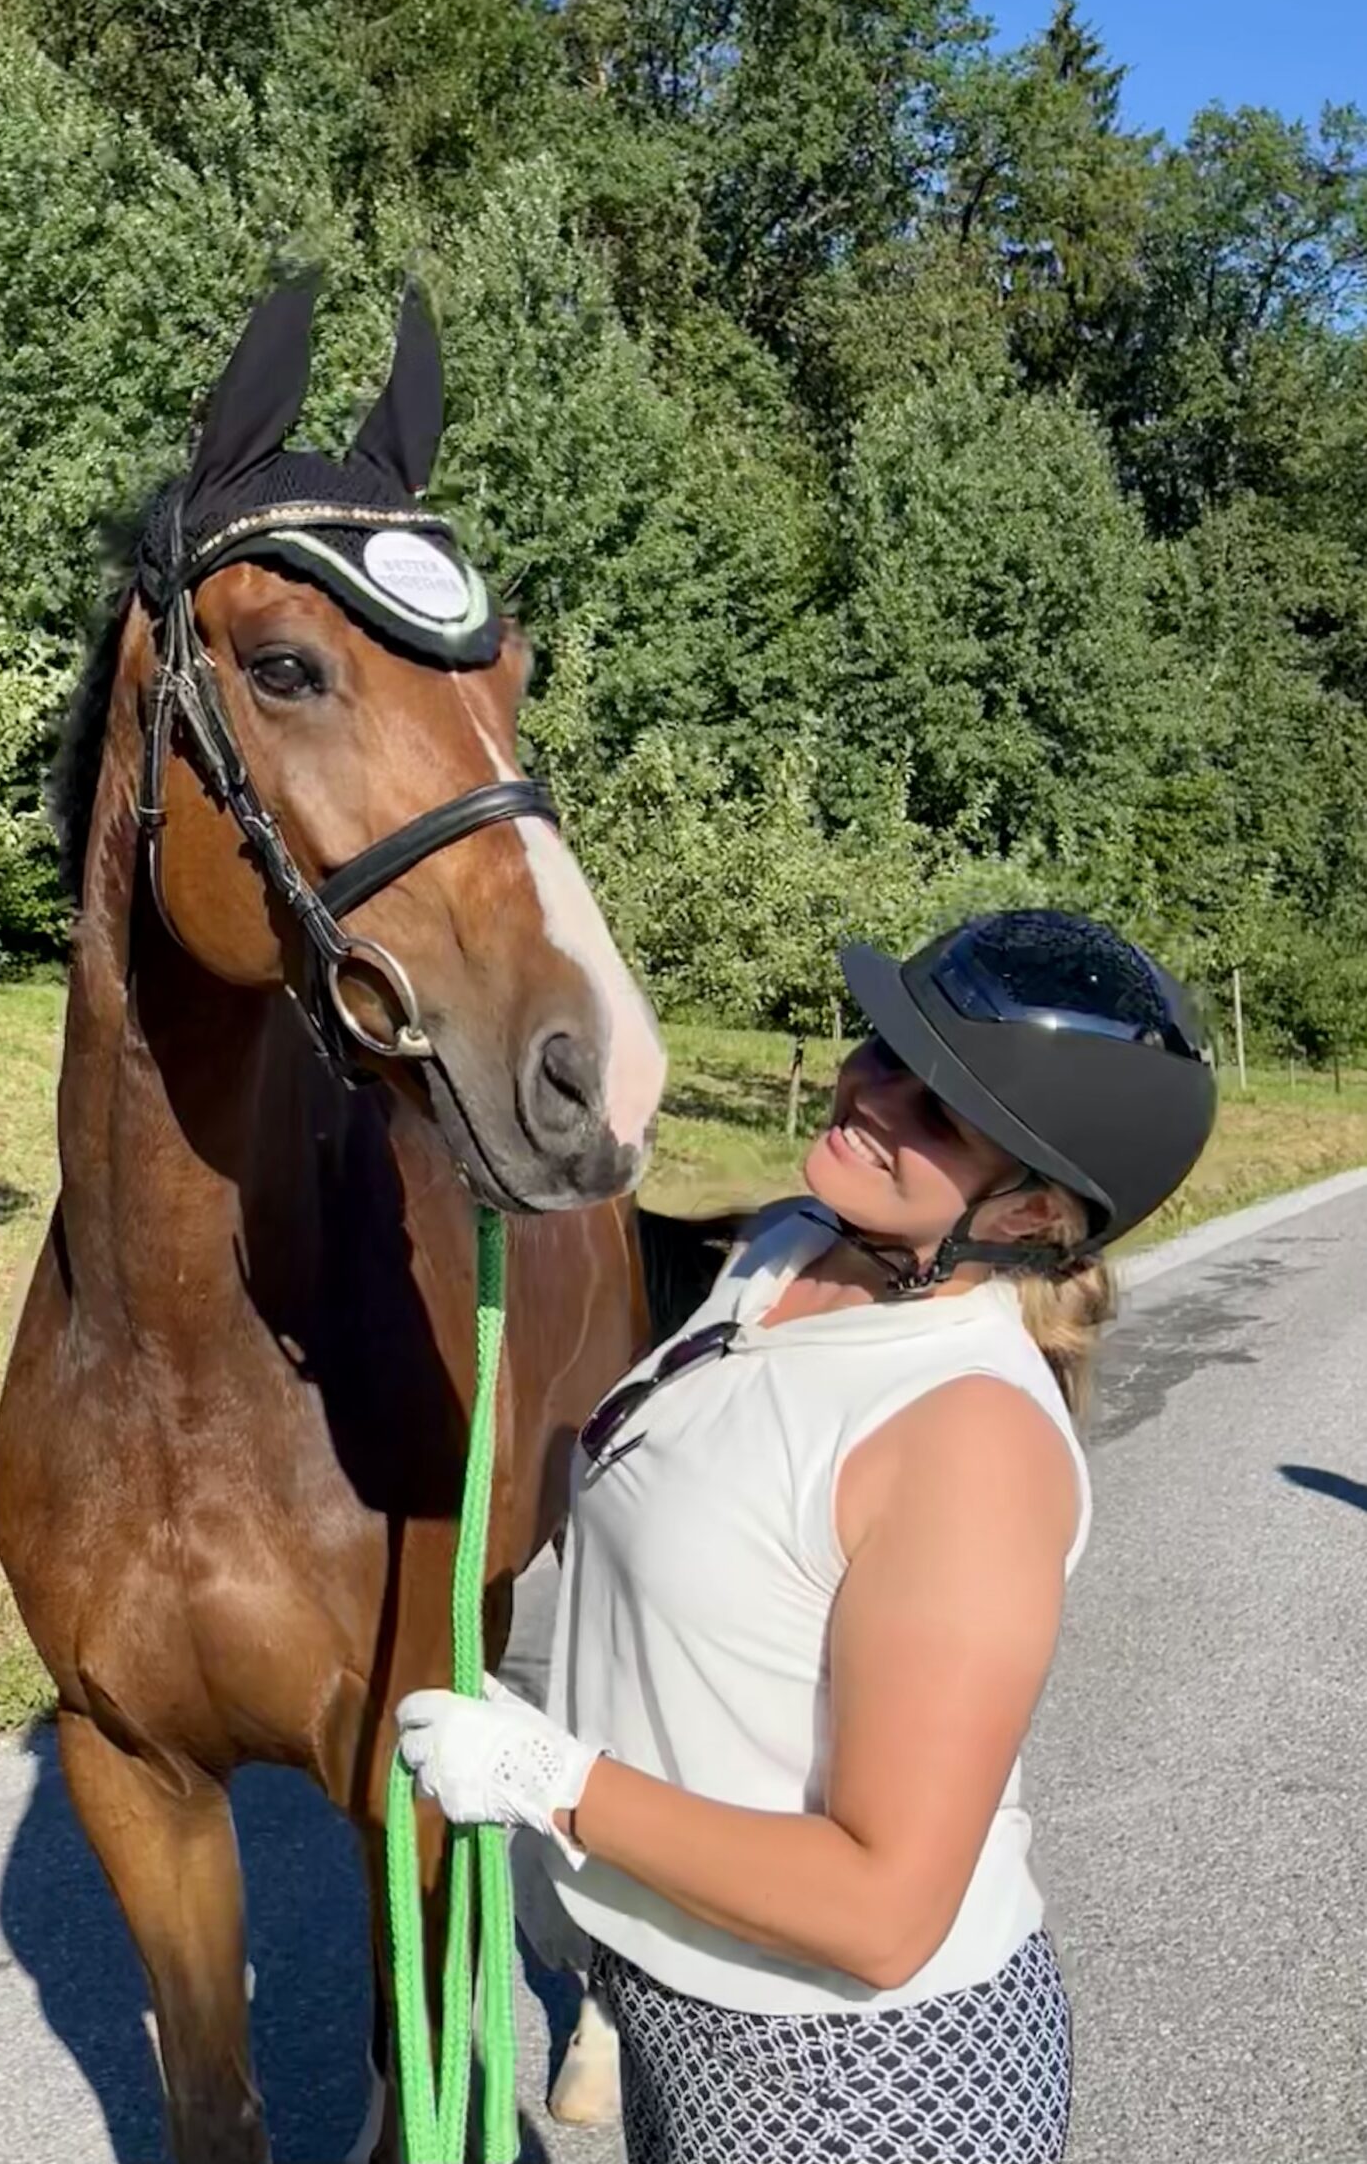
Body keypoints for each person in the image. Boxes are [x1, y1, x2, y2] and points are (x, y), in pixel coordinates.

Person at [398, 910, 1217, 2164]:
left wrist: (544, 1782)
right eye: (886, 1048)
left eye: (937, 1112)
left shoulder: (966, 1442)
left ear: (1036, 1214)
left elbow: (882, 1908)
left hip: (849, 2079)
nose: (869, 1093)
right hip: (683, 2005)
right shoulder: (792, 1249)